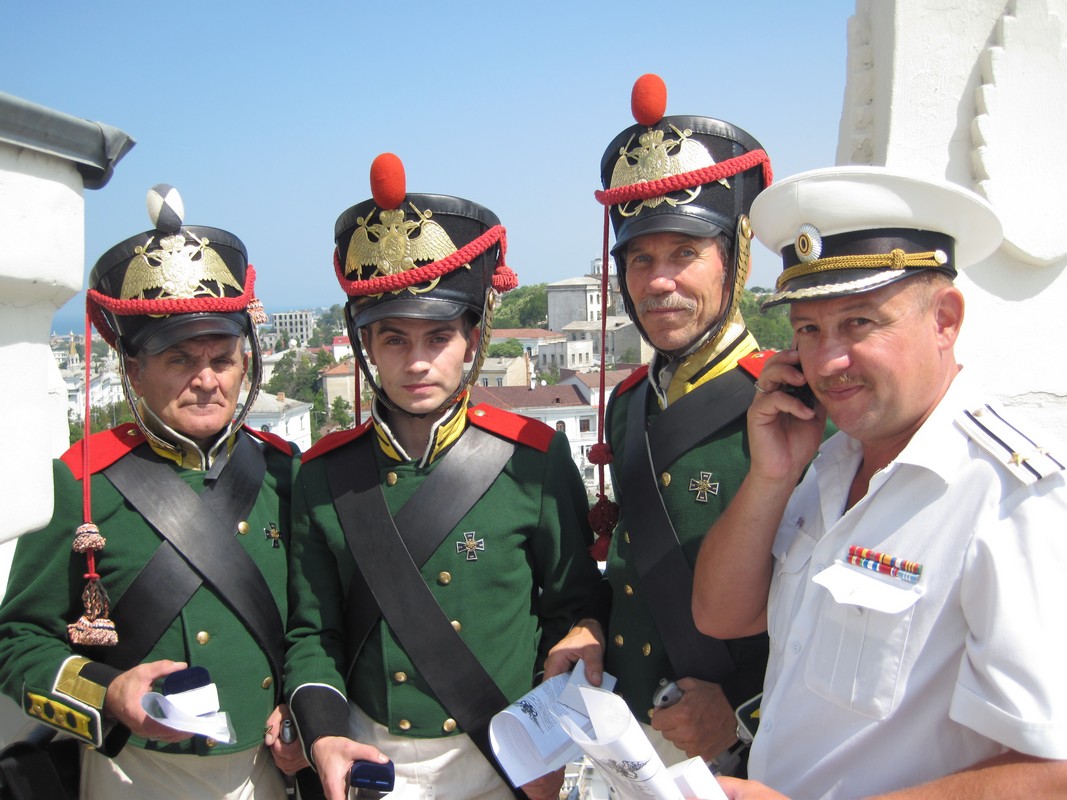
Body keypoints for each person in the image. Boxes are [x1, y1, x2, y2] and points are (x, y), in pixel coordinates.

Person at [692, 166, 1067, 798]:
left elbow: (1054, 771)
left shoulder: (1012, 497)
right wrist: (770, 476)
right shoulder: (831, 465)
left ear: (944, 319)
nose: (828, 362)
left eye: (859, 323)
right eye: (808, 329)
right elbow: (721, 615)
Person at [283, 153, 602, 800]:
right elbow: (313, 633)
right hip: (371, 762)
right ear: (367, 348)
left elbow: (573, 611)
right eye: (394, 339)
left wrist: (551, 748)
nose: (418, 362)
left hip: (504, 761)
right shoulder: (323, 475)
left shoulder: (533, 459)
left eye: (438, 337)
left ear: (472, 340)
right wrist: (322, 733)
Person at [0, 185, 310, 798]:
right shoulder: (80, 484)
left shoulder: (285, 472)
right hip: (133, 776)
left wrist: (303, 707)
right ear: (134, 372)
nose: (206, 380)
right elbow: (16, 643)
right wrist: (107, 693)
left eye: (222, 358)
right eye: (179, 359)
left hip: (265, 773)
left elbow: (315, 623)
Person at [542, 73, 774, 772]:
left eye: (684, 254)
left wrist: (744, 710)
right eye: (640, 258)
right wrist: (591, 623)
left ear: (736, 257)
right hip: (628, 735)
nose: (658, 281)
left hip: (740, 753)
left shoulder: (791, 406)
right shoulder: (629, 402)